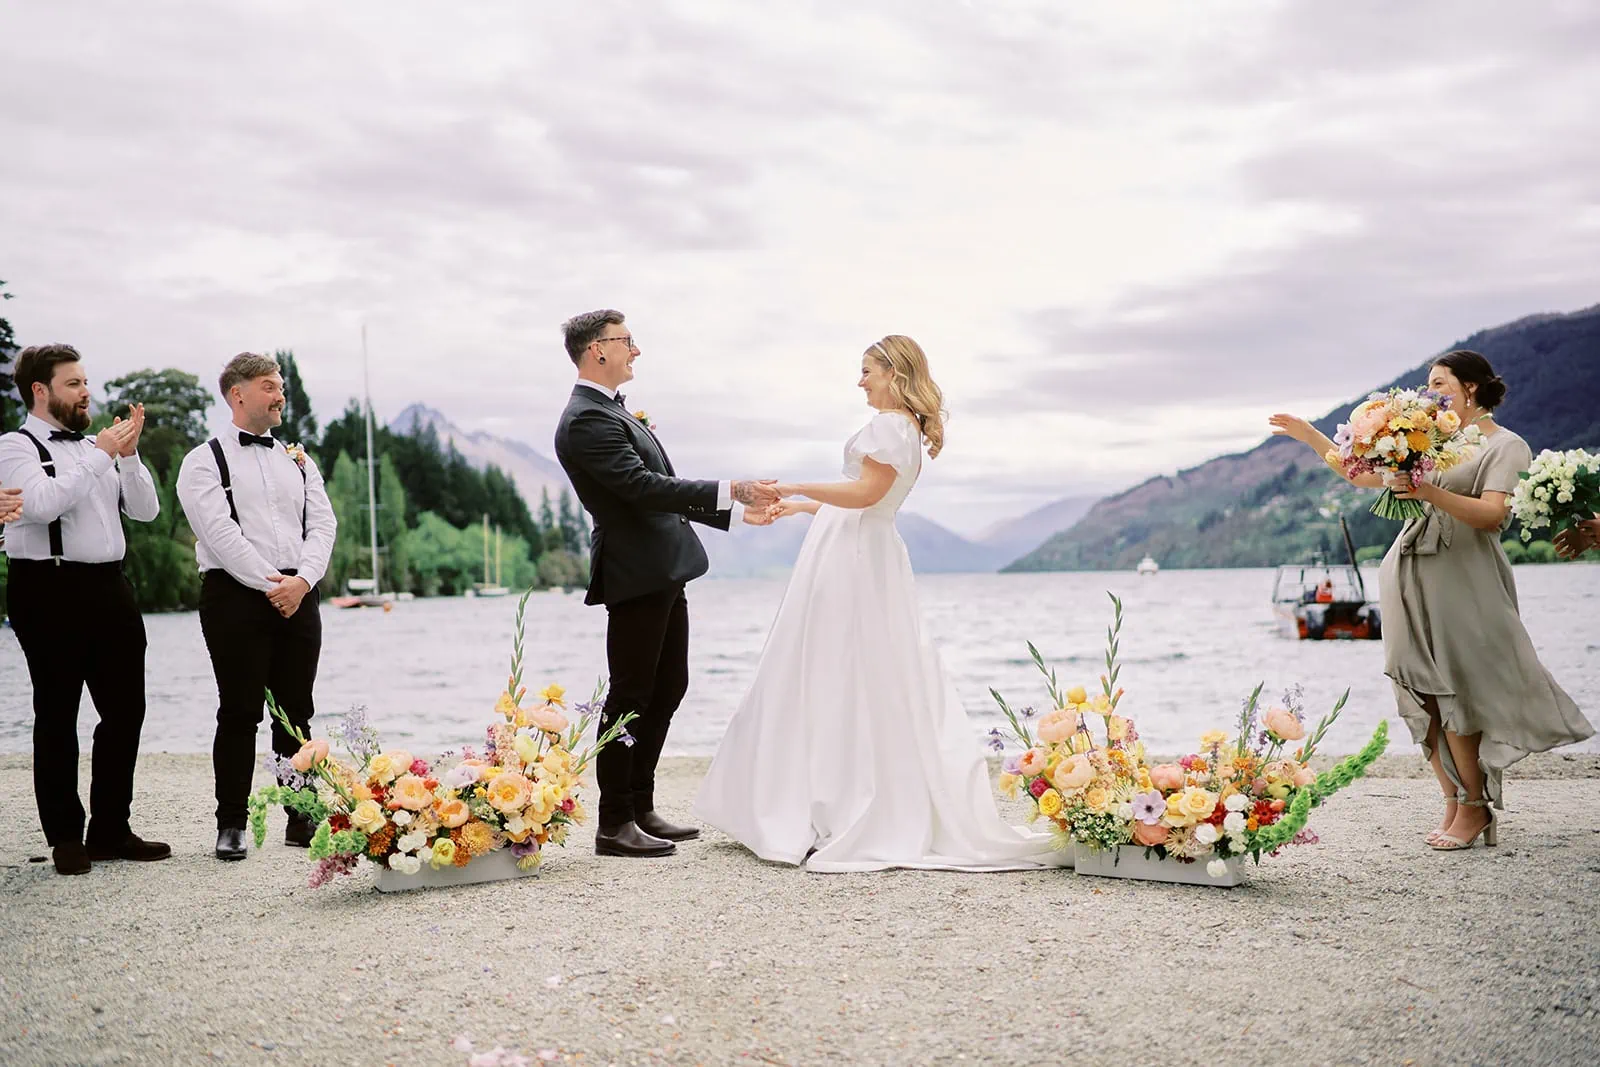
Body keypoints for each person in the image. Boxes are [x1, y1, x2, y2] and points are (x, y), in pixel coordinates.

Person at [694, 336, 1057, 872]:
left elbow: (864, 496)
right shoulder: (902, 427)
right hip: (859, 546)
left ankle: (835, 798)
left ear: (893, 373)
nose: (859, 381)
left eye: (866, 370)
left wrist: (791, 483)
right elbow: (860, 492)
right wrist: (798, 505)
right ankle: (830, 792)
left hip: (855, 554)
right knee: (850, 666)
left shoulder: (890, 426)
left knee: (838, 666)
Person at [1271, 350, 1592, 851]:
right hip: (1407, 572)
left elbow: (1490, 515)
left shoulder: (1506, 446)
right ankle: (1453, 800)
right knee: (1417, 686)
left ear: (1472, 388)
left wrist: (1426, 493)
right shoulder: (1429, 443)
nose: (1431, 392)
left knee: (1455, 688)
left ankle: (1475, 808)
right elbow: (1359, 474)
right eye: (1428, 384)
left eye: (1441, 382)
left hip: (1463, 576)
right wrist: (1311, 435)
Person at [553, 310, 780, 859]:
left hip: (661, 566)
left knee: (668, 685)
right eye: (627, 341)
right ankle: (612, 824)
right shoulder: (585, 419)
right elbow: (637, 486)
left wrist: (729, 515)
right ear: (596, 350)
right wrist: (731, 490)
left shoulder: (612, 411)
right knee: (630, 695)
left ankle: (640, 805)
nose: (636, 350)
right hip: (634, 570)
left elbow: (654, 491)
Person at [0, 343, 169, 875]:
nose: (86, 391)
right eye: (73, 383)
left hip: (110, 587)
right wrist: (100, 453)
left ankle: (111, 829)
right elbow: (41, 503)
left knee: (126, 710)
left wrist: (130, 454)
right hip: (47, 588)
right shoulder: (15, 445)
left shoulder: (100, 450)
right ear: (41, 391)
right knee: (58, 713)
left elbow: (145, 510)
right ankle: (65, 837)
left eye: (85, 381)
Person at [176, 353, 337, 861]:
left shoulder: (299, 459)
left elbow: (323, 523)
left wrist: (304, 580)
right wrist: (274, 583)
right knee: (240, 711)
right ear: (237, 394)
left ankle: (301, 817)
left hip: (300, 594)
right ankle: (231, 824)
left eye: (281, 386)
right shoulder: (203, 460)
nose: (279, 395)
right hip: (234, 597)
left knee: (296, 712)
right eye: (269, 386)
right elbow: (218, 533)